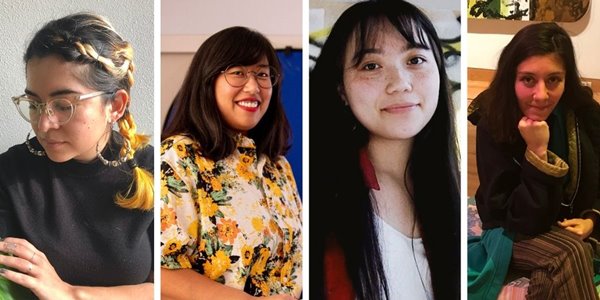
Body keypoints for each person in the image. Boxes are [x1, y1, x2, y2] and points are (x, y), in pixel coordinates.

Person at [310, 0, 460, 299]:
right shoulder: (319, 196)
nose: (400, 83)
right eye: (371, 66)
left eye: (415, 60)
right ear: (342, 89)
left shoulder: (447, 184)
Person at [0, 13, 154, 299]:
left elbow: (163, 289)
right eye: (34, 104)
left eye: (63, 105)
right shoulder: (10, 175)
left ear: (115, 106)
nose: (43, 125)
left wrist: (70, 294)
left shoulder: (153, 169)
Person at [160, 26, 302, 300]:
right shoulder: (178, 158)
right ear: (208, 80)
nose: (253, 86)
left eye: (262, 74)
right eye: (237, 72)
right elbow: (162, 271)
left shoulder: (279, 167)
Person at [468, 22, 600, 299]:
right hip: (510, 230)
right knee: (570, 252)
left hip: (572, 223)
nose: (541, 95)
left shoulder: (582, 112)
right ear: (511, 78)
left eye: (553, 80)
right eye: (528, 80)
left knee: (565, 260)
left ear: (566, 79)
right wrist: (537, 153)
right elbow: (519, 220)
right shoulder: (492, 119)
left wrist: (592, 220)